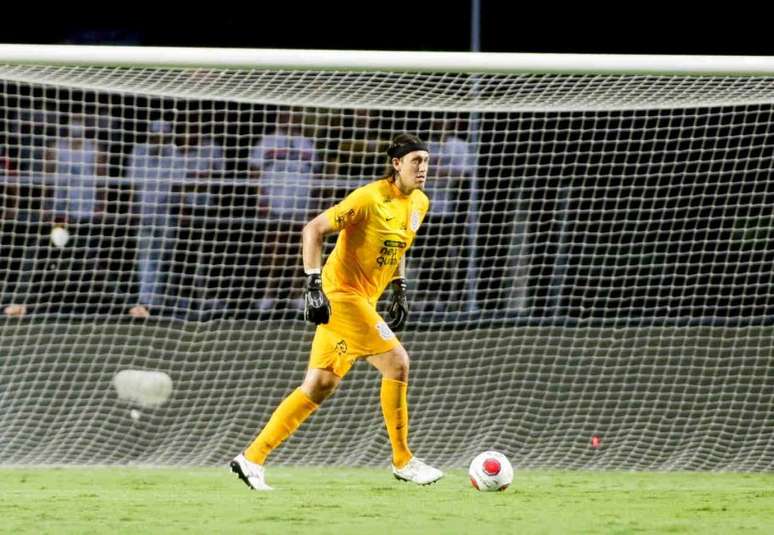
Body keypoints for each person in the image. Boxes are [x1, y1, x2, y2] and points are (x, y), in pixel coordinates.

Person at [230, 133, 443, 490]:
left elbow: (397, 247)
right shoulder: (368, 198)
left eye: (425, 160)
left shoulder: (420, 203)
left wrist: (399, 287)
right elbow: (313, 229)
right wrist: (312, 284)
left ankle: (251, 458)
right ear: (396, 164)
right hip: (341, 296)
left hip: (366, 299)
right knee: (397, 363)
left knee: (320, 384)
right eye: (415, 161)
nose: (422, 168)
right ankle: (403, 460)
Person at [248, 106, 321, 311]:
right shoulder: (267, 141)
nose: (289, 117)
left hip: (301, 204)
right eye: (285, 113)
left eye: (294, 113)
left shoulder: (307, 144)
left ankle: (296, 294)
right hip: (274, 203)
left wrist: (313, 205)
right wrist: (261, 199)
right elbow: (254, 172)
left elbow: (316, 176)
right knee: (272, 251)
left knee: (298, 251)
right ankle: (268, 295)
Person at [126, 119, 185, 318]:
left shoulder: (174, 153)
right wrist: (133, 210)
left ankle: (162, 300)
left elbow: (179, 186)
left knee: (164, 256)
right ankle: (147, 301)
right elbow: (133, 186)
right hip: (144, 212)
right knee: (146, 257)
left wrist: (179, 210)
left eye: (163, 136)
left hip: (166, 212)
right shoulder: (138, 151)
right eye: (155, 136)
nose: (159, 140)